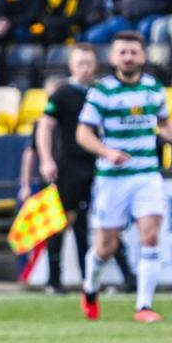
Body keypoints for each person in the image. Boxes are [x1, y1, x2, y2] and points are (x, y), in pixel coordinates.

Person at [76, 31, 172, 322]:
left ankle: (143, 306)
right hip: (113, 177)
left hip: (146, 174)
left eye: (133, 52)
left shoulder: (153, 88)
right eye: (122, 52)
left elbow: (163, 123)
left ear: (143, 56)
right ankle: (90, 288)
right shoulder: (102, 92)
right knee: (106, 246)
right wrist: (106, 152)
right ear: (114, 57)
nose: (128, 57)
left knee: (150, 236)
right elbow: (83, 133)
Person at [37, 44, 137, 293]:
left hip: (99, 167)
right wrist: (47, 159)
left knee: (106, 222)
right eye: (80, 63)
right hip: (69, 167)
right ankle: (54, 281)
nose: (85, 68)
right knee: (63, 223)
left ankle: (124, 278)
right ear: (71, 66)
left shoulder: (101, 93)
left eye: (89, 63)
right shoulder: (62, 95)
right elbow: (45, 127)